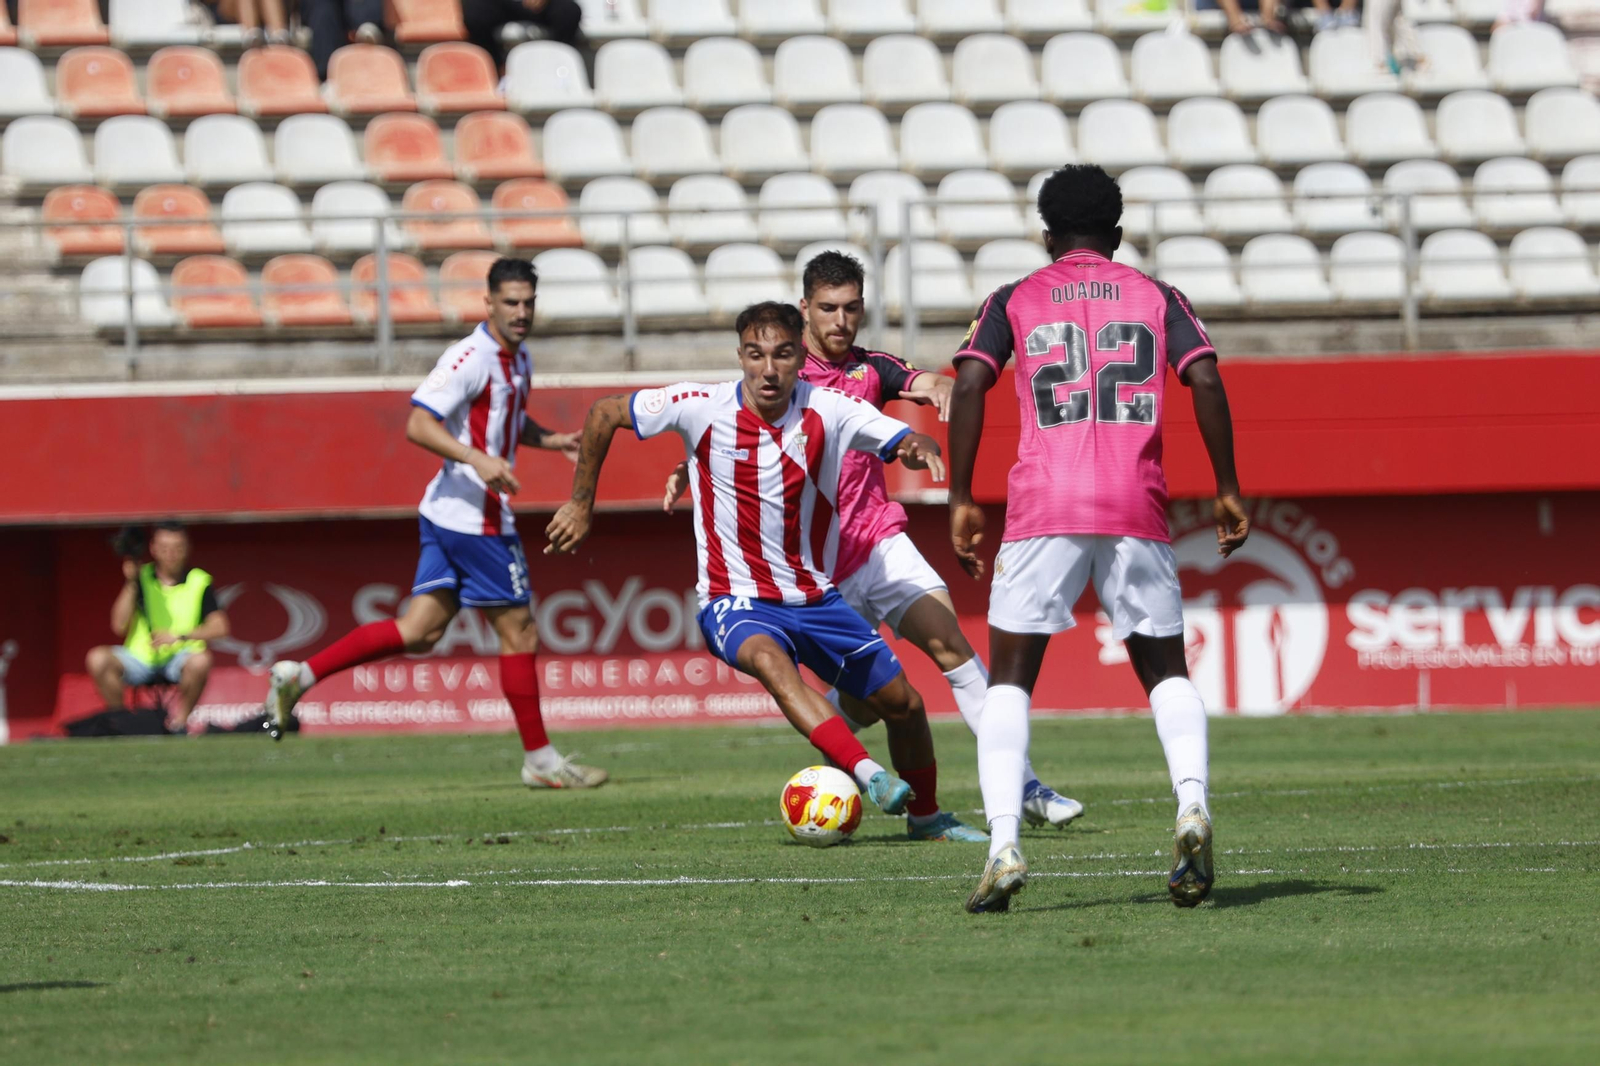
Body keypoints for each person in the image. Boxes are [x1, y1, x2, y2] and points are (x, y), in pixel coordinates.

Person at [663, 252, 1083, 832]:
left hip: (878, 543)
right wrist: (688, 469)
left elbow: (922, 381)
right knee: (869, 703)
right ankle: (839, 759)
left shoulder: (871, 370)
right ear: (803, 309)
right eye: (828, 309)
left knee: (951, 649)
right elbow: (721, 431)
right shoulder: (778, 372)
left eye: (852, 309)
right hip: (808, 573)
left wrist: (942, 388)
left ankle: (1025, 785)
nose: (841, 321)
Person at [546, 302, 982, 838]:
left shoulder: (830, 408)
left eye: (781, 355)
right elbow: (605, 412)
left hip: (816, 598)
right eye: (755, 355)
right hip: (734, 599)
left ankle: (927, 818)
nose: (768, 369)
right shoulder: (699, 405)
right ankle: (867, 773)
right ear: (740, 357)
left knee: (905, 705)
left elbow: (899, 438)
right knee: (774, 665)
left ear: (802, 356)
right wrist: (580, 503)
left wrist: (917, 446)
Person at [947, 164, 1250, 913]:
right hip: (1132, 502)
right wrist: (1228, 486)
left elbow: (970, 384)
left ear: (1046, 235)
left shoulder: (1015, 298)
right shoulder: (1157, 296)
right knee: (1165, 672)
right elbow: (1205, 378)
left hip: (1043, 503)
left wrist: (958, 495)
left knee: (1012, 681)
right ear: (1117, 234)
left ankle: (1003, 845)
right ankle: (1189, 805)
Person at [261, 257, 608, 790]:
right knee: (520, 631)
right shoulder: (470, 356)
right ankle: (540, 761)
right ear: (487, 302)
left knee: (418, 631)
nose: (520, 312)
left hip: (447, 511)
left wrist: (547, 439)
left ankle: (298, 676)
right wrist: (477, 459)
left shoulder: (519, 359)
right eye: (510, 302)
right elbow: (419, 424)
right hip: (475, 517)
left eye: (528, 303)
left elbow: (503, 420)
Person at [83, 522, 230, 734]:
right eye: (164, 548)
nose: (171, 554)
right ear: (153, 548)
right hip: (139, 657)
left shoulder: (199, 581)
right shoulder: (141, 577)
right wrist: (131, 583)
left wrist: (179, 636)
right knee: (97, 657)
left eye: (177, 548)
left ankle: (178, 724)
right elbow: (118, 625)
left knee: (201, 659)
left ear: (187, 548)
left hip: (179, 657)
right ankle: (120, 723)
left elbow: (221, 627)